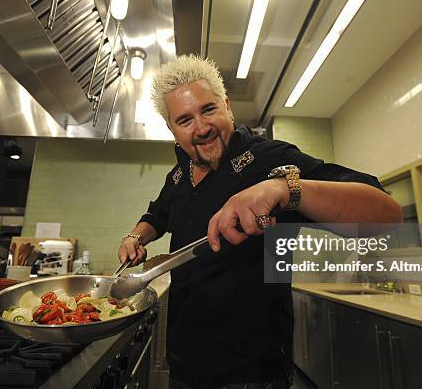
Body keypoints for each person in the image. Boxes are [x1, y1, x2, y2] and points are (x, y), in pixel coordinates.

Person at [117, 55, 402, 389]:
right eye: (185, 120)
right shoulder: (179, 173)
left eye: (209, 110)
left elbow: (387, 214)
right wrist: (136, 236)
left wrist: (283, 189)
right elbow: (158, 214)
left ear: (227, 106)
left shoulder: (271, 158)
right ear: (172, 129)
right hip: (184, 365)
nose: (202, 127)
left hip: (251, 375)